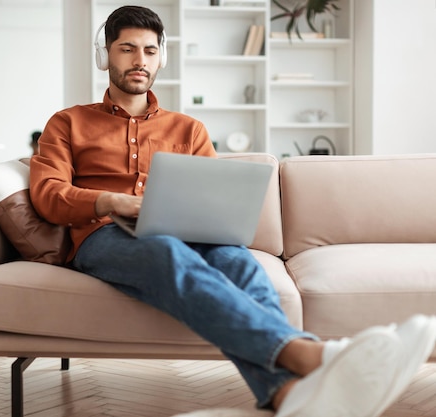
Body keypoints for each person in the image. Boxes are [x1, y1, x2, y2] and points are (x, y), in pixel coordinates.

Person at [29, 5, 436, 416]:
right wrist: (111, 201)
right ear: (106, 56)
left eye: (150, 51)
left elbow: (210, 196)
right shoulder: (67, 123)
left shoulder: (189, 130)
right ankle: (307, 354)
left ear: (161, 57)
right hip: (104, 236)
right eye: (127, 49)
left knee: (238, 263)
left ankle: (288, 395)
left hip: (185, 230)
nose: (140, 61)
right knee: (166, 253)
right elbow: (47, 193)